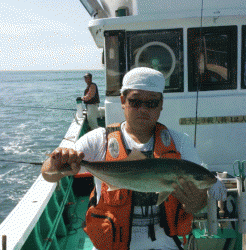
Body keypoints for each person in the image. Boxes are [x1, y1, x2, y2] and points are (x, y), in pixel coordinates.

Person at [42, 67, 209, 250]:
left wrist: (195, 202)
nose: (143, 109)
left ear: (161, 104)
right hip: (113, 242)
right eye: (135, 102)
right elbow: (48, 174)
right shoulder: (99, 139)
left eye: (151, 103)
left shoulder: (180, 143)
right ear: (123, 101)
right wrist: (56, 162)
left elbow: (199, 205)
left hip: (167, 241)